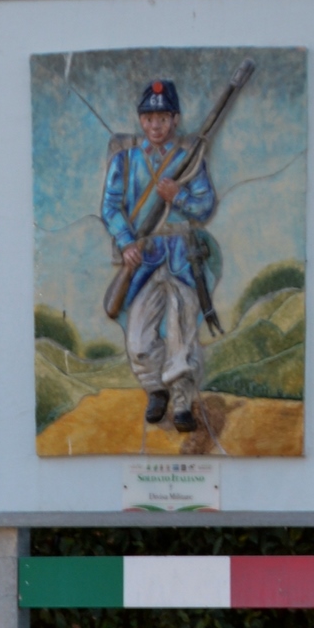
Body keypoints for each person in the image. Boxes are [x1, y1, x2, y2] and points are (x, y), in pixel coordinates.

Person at [102, 80, 218, 433]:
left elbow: (205, 204)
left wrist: (178, 196)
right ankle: (156, 388)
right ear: (141, 121)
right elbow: (110, 206)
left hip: (182, 257)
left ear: (175, 120)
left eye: (163, 118)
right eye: (149, 118)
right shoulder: (125, 160)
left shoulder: (188, 160)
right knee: (138, 339)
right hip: (145, 257)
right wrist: (126, 242)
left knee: (182, 334)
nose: (156, 125)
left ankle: (182, 401)